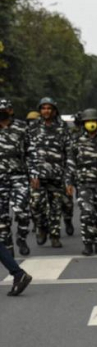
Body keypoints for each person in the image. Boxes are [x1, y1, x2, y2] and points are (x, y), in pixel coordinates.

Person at [67, 109, 97, 256]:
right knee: (87, 214)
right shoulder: (76, 140)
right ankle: (88, 244)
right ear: (83, 124)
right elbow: (71, 162)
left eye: (93, 121)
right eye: (88, 122)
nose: (91, 124)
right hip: (84, 183)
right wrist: (69, 182)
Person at [28, 97, 73, 248]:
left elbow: (69, 154)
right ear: (40, 110)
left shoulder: (63, 128)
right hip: (38, 176)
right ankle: (41, 228)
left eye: (49, 108)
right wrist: (32, 174)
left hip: (57, 176)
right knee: (35, 205)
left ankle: (54, 235)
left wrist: (68, 179)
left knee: (56, 208)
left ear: (54, 111)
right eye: (43, 108)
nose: (46, 111)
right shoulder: (32, 128)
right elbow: (27, 153)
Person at [0, 98, 32, 256]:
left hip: (19, 176)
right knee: (2, 216)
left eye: (3, 110)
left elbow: (30, 152)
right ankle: (7, 245)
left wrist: (34, 174)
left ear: (10, 110)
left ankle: (22, 237)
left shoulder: (21, 127)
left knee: (22, 211)